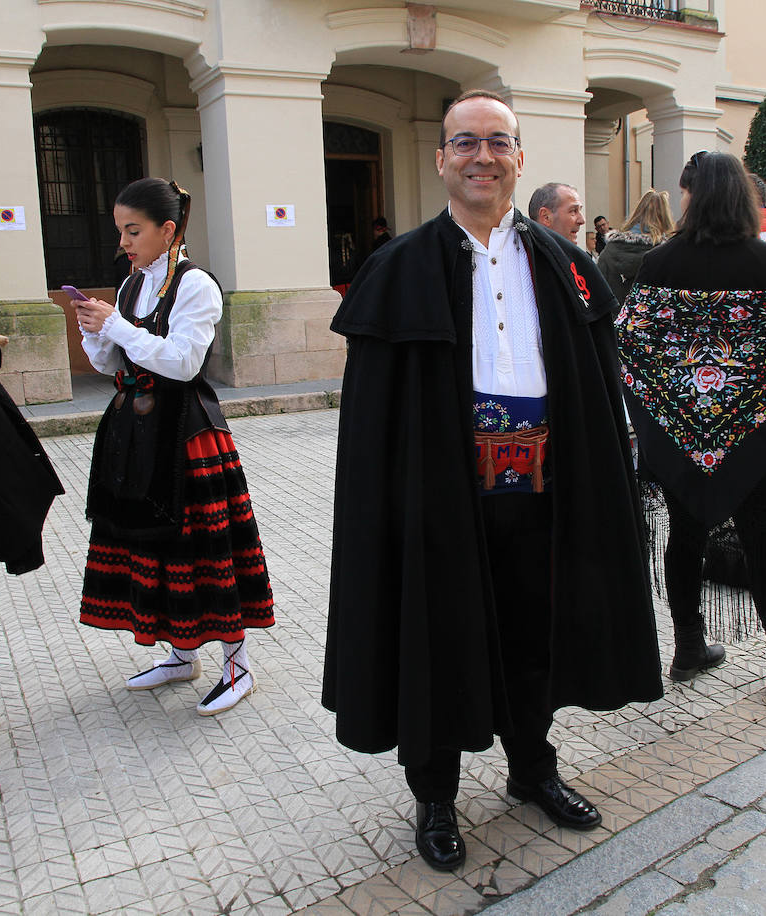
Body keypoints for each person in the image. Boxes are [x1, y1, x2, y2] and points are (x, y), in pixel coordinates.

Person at [323, 90, 661, 872]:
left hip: (545, 491)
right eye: (465, 142)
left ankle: (532, 768)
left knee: (533, 631)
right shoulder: (399, 267)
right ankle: (435, 792)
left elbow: (596, 388)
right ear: (442, 159)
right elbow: (374, 422)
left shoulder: (565, 263)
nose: (483, 156)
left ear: (519, 158)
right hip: (440, 495)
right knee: (437, 633)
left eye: (498, 142)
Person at [621, 150, 766, 692]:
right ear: (742, 198)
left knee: (685, 537)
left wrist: (677, 412)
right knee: (765, 541)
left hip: (680, 440)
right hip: (754, 440)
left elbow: (630, 342)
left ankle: (689, 646)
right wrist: (754, 406)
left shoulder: (660, 262)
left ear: (693, 198)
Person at [76, 178, 274, 716]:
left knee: (207, 550)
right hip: (136, 431)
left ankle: (238, 665)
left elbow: (183, 363)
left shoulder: (195, 285)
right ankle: (181, 652)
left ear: (168, 229)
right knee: (152, 547)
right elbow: (112, 365)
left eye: (133, 230)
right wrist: (97, 333)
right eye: (120, 231)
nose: (124, 242)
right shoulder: (129, 286)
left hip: (187, 433)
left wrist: (117, 325)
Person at [596, 188, 674, 306]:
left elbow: (599, 285)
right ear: (665, 217)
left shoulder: (611, 249)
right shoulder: (666, 253)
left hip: (616, 318)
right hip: (652, 319)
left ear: (637, 213)